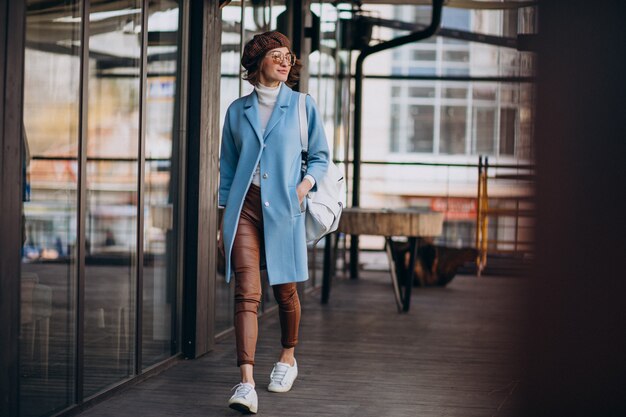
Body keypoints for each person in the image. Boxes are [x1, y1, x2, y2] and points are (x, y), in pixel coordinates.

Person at [218, 31, 329, 414]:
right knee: (248, 292)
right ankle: (246, 381)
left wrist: (302, 188)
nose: (286, 62)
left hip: (285, 207)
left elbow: (320, 157)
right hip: (244, 208)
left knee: (285, 290)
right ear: (257, 63)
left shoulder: (302, 105)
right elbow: (228, 170)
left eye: (288, 57)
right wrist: (223, 218)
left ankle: (287, 357)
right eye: (277, 56)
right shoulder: (236, 111)